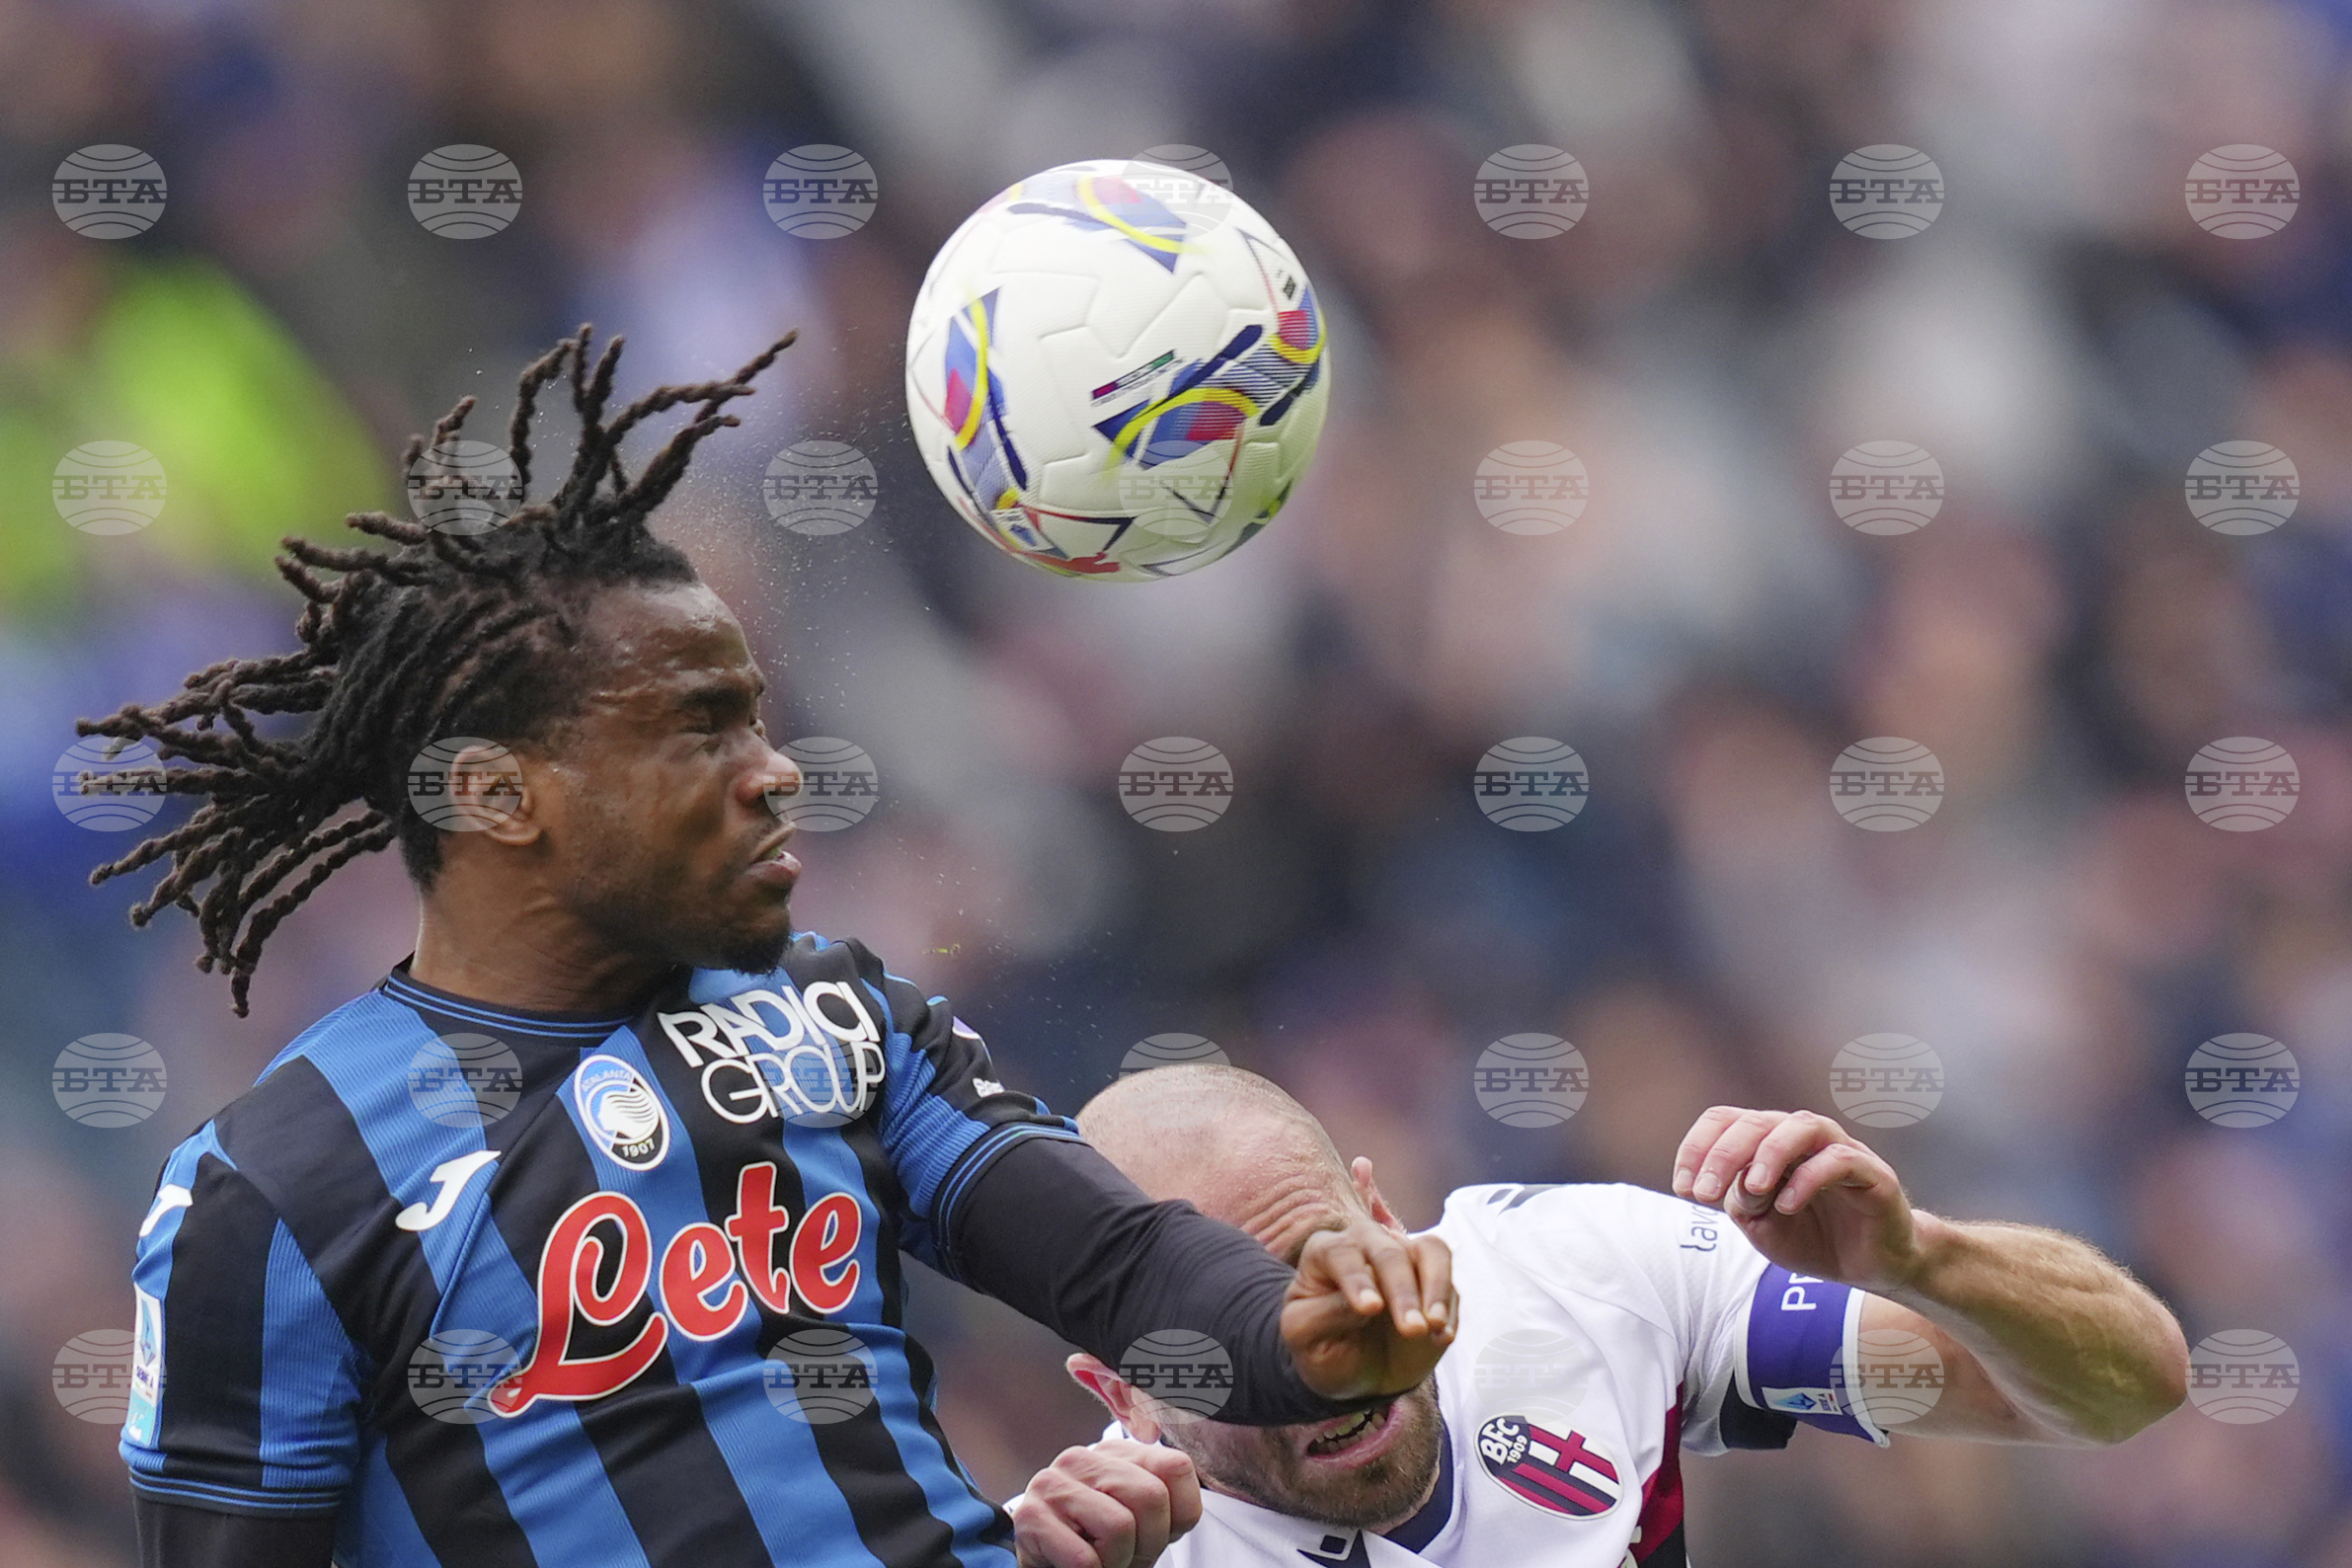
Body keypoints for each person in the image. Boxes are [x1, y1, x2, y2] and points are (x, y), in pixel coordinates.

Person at [88, 328, 1456, 1568]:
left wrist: (1297, 1336)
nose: (774, 771)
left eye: (756, 715)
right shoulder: (273, 1188)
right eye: (698, 731)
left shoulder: (837, 1017)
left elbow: (1123, 1263)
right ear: (500, 794)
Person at [1011, 1065, 2189, 1567]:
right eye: (1229, 1338)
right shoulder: (1080, 1552)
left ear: (1382, 1213)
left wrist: (1925, 1261)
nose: (1322, 1355)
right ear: (1123, 1392)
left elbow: (2126, 1390)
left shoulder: (1583, 1274)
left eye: (1322, 1266)